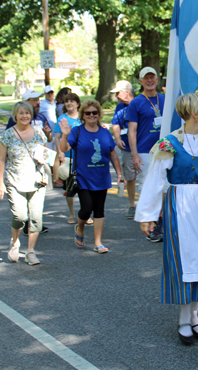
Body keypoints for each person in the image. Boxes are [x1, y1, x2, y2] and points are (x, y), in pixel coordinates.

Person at [135, 93, 198, 345]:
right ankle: (183, 321)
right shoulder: (169, 144)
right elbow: (155, 180)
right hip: (180, 205)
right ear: (194, 114)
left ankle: (195, 318)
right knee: (184, 260)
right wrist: (147, 215)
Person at [59, 99, 125, 253]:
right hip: (82, 177)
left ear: (98, 114)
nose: (91, 115)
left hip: (101, 177)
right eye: (87, 113)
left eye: (94, 112)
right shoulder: (77, 131)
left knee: (99, 209)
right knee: (87, 208)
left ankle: (98, 242)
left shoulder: (104, 132)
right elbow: (64, 148)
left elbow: (113, 155)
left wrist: (119, 174)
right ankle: (80, 226)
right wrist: (64, 135)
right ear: (83, 115)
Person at [0, 101, 48, 265]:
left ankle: (30, 251)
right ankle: (15, 241)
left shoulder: (39, 133)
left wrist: (45, 160)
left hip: (37, 181)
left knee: (36, 219)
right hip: (15, 181)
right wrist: (0, 183)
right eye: (21, 113)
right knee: (20, 216)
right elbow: (0, 160)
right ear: (15, 116)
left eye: (28, 113)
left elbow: (46, 154)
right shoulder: (8, 135)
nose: (25, 116)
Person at [127, 67, 165, 241]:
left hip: (164, 149)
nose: (150, 81)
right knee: (149, 186)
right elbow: (132, 131)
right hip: (145, 150)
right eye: (146, 78)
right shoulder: (136, 103)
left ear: (157, 79)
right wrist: (135, 155)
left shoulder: (165, 99)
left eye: (152, 78)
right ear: (141, 81)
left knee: (165, 185)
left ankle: (161, 219)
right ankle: (149, 223)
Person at [6, 89, 52, 235]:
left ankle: (34, 223)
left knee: (36, 197)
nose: (37, 102)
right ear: (25, 102)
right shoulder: (15, 119)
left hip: (39, 166)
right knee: (23, 198)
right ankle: (25, 223)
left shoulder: (41, 117)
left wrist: (48, 134)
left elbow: (48, 140)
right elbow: (8, 141)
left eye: (38, 99)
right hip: (22, 166)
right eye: (34, 100)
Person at [109, 80, 137, 220]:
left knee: (147, 176)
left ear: (127, 92)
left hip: (142, 147)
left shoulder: (139, 103)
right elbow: (115, 124)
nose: (116, 96)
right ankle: (132, 205)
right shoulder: (120, 107)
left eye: (118, 93)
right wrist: (117, 138)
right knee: (130, 176)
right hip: (127, 147)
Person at [54, 93, 82, 224]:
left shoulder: (83, 117)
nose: (69, 104)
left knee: (84, 187)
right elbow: (57, 137)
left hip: (82, 157)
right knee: (69, 188)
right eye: (67, 102)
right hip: (68, 157)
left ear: (77, 103)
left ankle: (84, 214)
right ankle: (71, 214)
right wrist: (60, 152)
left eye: (72, 101)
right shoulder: (62, 118)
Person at [39, 85, 61, 187]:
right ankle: (47, 178)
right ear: (45, 94)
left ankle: (56, 178)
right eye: (48, 93)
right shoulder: (42, 104)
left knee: (56, 156)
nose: (50, 95)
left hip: (56, 133)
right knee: (48, 157)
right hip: (47, 133)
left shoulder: (56, 103)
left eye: (51, 92)